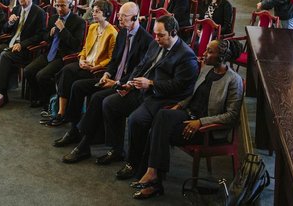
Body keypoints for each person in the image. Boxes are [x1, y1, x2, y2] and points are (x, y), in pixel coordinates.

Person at [62, 15, 198, 173]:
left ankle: (134, 162)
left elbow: (180, 86)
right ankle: (116, 149)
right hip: (142, 90)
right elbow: (141, 66)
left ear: (173, 32)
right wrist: (129, 84)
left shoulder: (186, 55)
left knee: (136, 119)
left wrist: (151, 84)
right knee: (109, 103)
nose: (156, 38)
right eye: (155, 34)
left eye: (161, 35)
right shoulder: (156, 44)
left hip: (162, 98)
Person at [131, 40, 244, 199]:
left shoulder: (233, 80)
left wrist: (200, 122)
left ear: (221, 56)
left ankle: (153, 181)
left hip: (205, 130)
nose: (204, 53)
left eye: (209, 51)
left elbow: (231, 116)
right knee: (162, 116)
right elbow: (192, 94)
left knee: (159, 132)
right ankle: (152, 174)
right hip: (189, 114)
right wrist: (179, 105)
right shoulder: (206, 70)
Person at [54, 2, 153, 149]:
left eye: (123, 16)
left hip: (126, 85)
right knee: (77, 86)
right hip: (112, 78)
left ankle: (84, 143)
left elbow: (139, 71)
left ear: (135, 17)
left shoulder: (146, 40)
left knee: (97, 97)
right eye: (119, 15)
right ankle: (74, 129)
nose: (119, 18)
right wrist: (107, 74)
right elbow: (114, 60)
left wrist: (117, 83)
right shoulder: (122, 33)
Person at [45, 0, 117, 126]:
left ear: (106, 14)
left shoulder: (112, 33)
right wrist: (81, 59)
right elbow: (84, 48)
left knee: (68, 75)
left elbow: (111, 58)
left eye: (97, 12)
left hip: (97, 68)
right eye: (93, 11)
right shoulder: (93, 27)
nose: (93, 14)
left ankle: (65, 114)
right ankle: (61, 112)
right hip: (86, 63)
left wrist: (95, 66)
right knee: (65, 71)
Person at [23, 0, 85, 110]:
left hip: (64, 56)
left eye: (63, 5)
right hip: (50, 52)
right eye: (57, 5)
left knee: (42, 75)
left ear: (70, 6)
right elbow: (45, 37)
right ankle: (39, 97)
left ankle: (49, 101)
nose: (59, 9)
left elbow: (76, 44)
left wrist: (63, 30)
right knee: (28, 71)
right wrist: (50, 34)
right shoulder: (53, 18)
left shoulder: (79, 21)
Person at [0, 0, 46, 101]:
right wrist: (10, 23)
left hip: (26, 48)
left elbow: (40, 36)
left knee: (4, 56)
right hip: (10, 43)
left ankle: (1, 93)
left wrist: (22, 44)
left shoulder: (39, 12)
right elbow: (5, 30)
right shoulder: (16, 9)